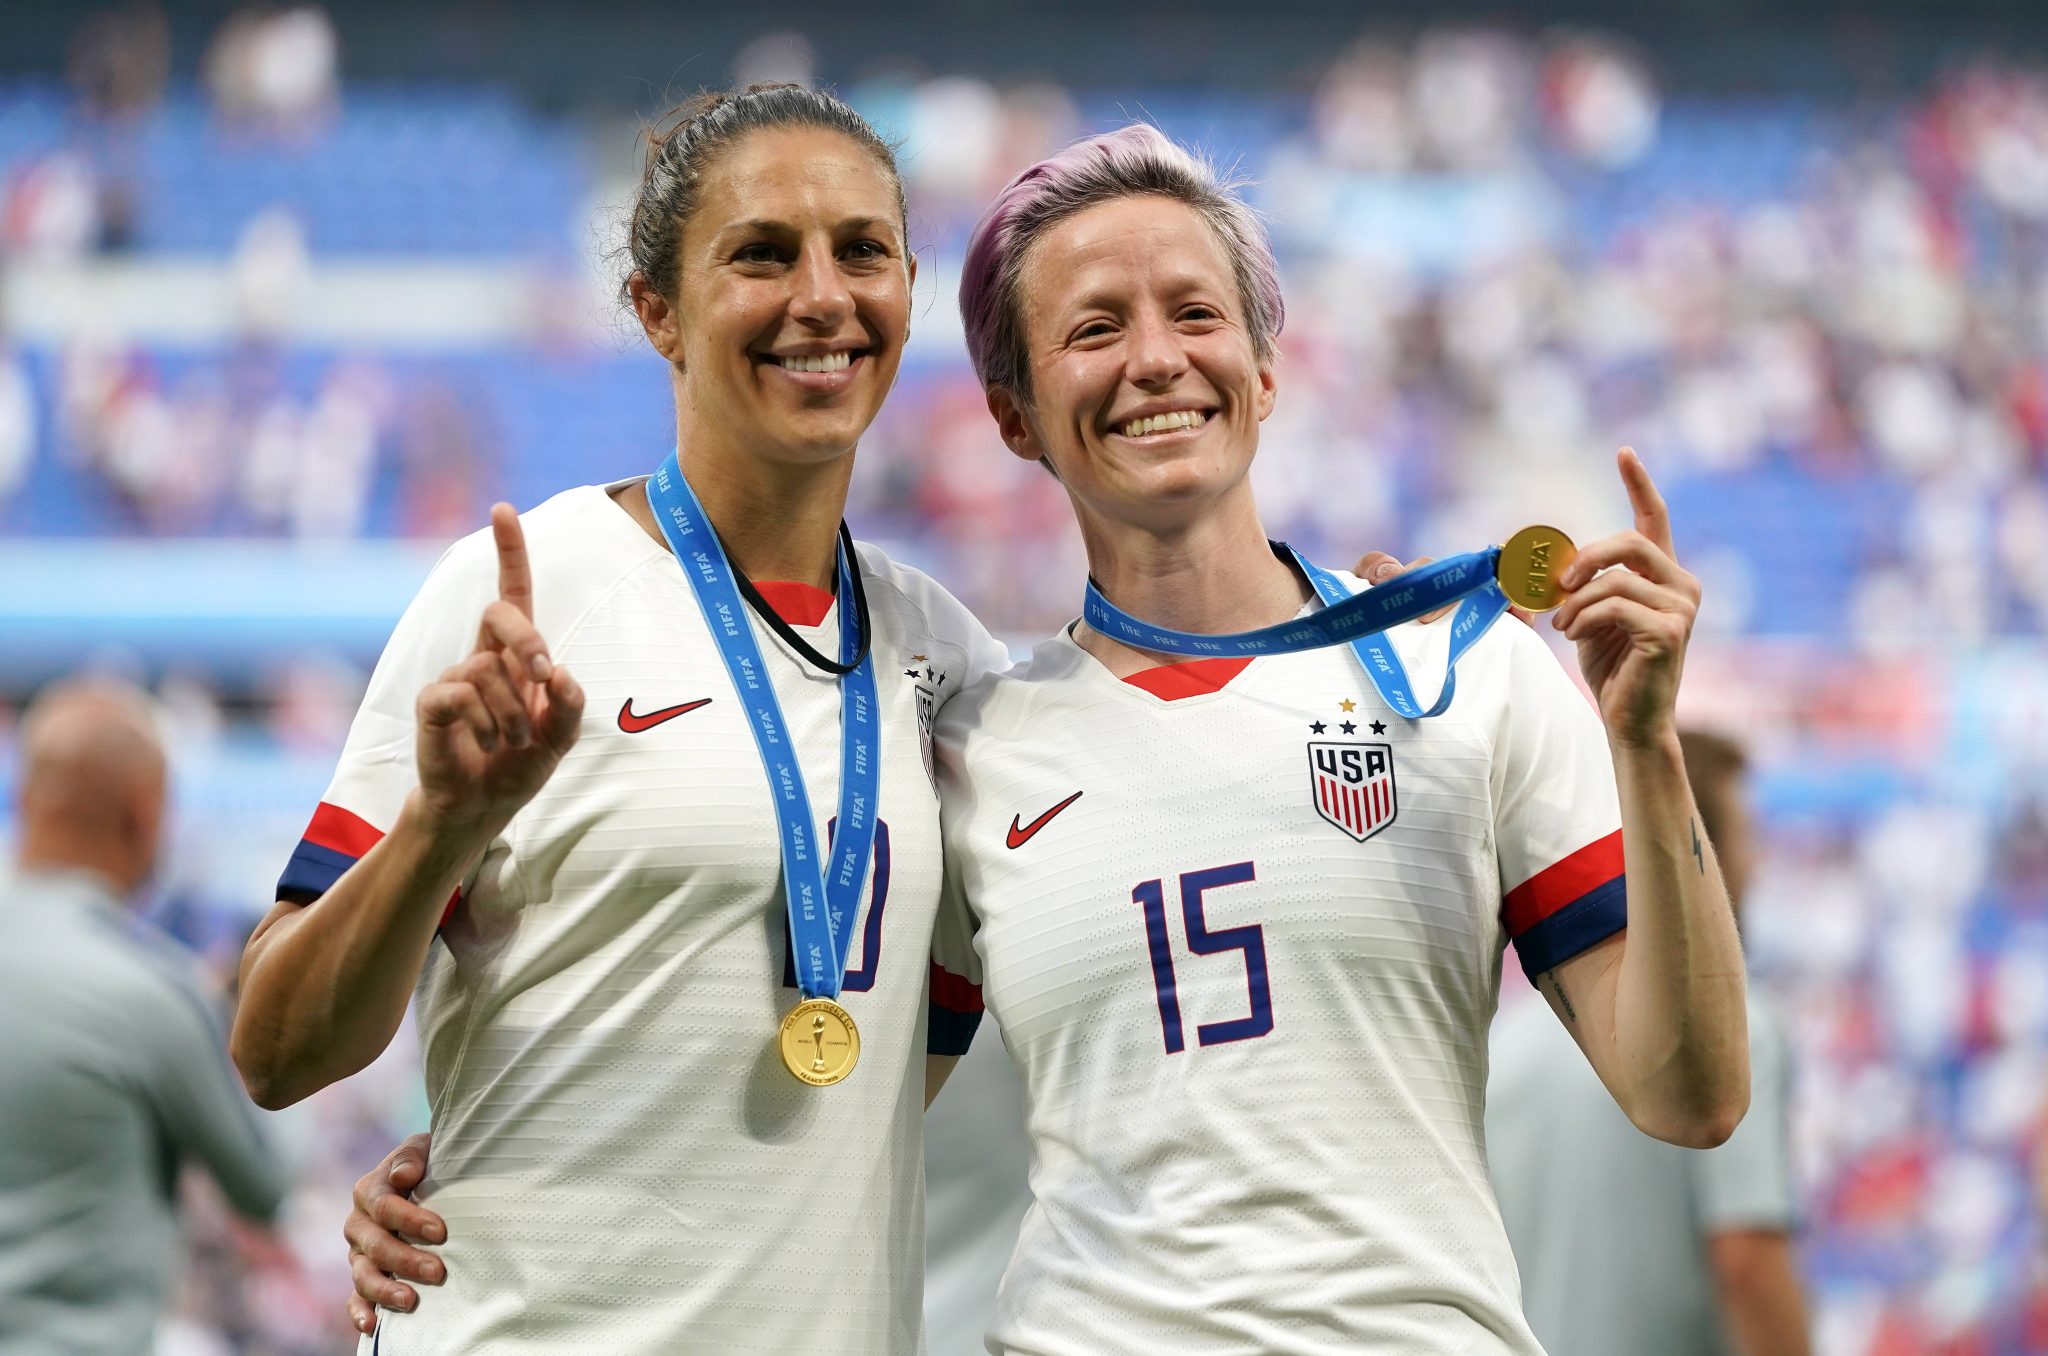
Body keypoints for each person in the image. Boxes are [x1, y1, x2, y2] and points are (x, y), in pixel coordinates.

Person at [344, 124, 1750, 1354]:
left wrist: (1646, 747)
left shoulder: (1468, 670)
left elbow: (1691, 1096)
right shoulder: (963, 741)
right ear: (1016, 418)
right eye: (1092, 329)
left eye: (1194, 314)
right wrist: (474, 1177)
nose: (1155, 361)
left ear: (1268, 369)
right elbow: (792, 1087)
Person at [230, 84, 1010, 1354]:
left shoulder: (948, 664)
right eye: (760, 253)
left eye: (860, 250)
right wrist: (441, 825)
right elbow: (273, 1049)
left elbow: (900, 1065)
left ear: (908, 289)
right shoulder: (526, 591)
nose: (821, 295)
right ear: (656, 310)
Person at [1487, 728, 1812, 1356]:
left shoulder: (1512, 1040)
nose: (1756, 861)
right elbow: (1747, 1263)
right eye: (1745, 837)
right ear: (1699, 851)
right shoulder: (1733, 1024)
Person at [0, 678, 287, 1355]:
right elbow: (263, 1188)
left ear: (29, 795)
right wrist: (252, 1017)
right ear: (144, 812)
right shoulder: (153, 990)